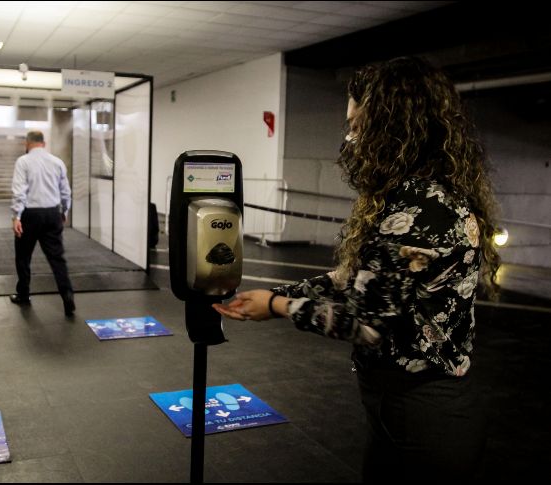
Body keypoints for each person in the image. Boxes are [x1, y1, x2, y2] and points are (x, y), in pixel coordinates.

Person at [213, 57, 500, 482]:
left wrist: (276, 305)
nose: (352, 136)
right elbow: (355, 282)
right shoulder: (418, 198)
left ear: (395, 126)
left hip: (425, 413)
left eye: (359, 124)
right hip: (401, 406)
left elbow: (368, 325)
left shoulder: (419, 212)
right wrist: (280, 291)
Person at [10, 130, 75, 316]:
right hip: (52, 214)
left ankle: (23, 294)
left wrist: (16, 216)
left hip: (30, 215)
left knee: (23, 256)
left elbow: (19, 191)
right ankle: (67, 295)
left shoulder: (23, 161)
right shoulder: (57, 162)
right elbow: (65, 191)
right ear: (43, 144)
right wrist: (64, 210)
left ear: (27, 143)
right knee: (57, 259)